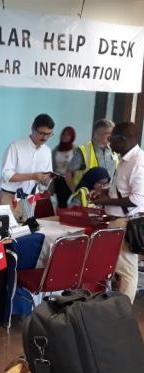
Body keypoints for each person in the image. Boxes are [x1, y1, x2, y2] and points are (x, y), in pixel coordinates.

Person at [90, 122, 144, 302]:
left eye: (111, 139)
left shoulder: (138, 162)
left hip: (126, 223)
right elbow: (120, 188)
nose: (108, 142)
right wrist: (103, 193)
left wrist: (107, 201)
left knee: (127, 271)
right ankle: (113, 307)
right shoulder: (124, 160)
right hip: (116, 221)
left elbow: (137, 199)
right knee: (114, 267)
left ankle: (122, 313)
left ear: (122, 140)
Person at [0, 114, 55, 215]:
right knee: (7, 229)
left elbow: (46, 176)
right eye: (42, 133)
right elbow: (7, 175)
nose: (45, 137)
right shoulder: (16, 147)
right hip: (9, 196)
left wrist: (46, 179)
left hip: (29, 198)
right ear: (33, 129)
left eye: (49, 134)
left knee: (27, 229)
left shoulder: (47, 151)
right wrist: (33, 176)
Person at [67, 118, 118, 195]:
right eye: (109, 133)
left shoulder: (113, 150)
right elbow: (68, 174)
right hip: (86, 198)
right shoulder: (84, 150)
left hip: (106, 197)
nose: (112, 136)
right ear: (97, 134)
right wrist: (76, 193)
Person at [52, 126, 76, 208]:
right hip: (58, 179)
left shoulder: (75, 150)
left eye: (68, 135)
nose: (65, 136)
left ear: (72, 137)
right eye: (63, 134)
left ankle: (63, 217)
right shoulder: (56, 149)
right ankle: (61, 216)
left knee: (65, 201)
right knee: (61, 201)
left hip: (70, 179)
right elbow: (52, 166)